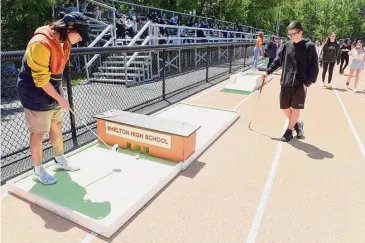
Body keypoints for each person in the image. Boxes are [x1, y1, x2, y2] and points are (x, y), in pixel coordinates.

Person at [17, 12, 90, 185]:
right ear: (69, 28)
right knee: (38, 133)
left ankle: (59, 160)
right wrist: (61, 99)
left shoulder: (65, 42)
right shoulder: (40, 43)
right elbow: (41, 80)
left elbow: (58, 69)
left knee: (56, 125)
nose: (80, 40)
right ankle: (37, 170)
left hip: (52, 88)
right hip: (34, 91)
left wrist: (60, 91)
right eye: (79, 36)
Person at [261, 21, 319, 142]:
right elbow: (278, 60)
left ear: (300, 32)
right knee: (284, 107)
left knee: (296, 108)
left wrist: (307, 82)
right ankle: (297, 125)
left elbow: (314, 66)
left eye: (293, 34)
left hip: (300, 83)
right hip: (286, 82)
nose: (291, 36)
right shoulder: (287, 45)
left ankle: (289, 131)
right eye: (289, 34)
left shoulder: (309, 46)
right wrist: (268, 71)